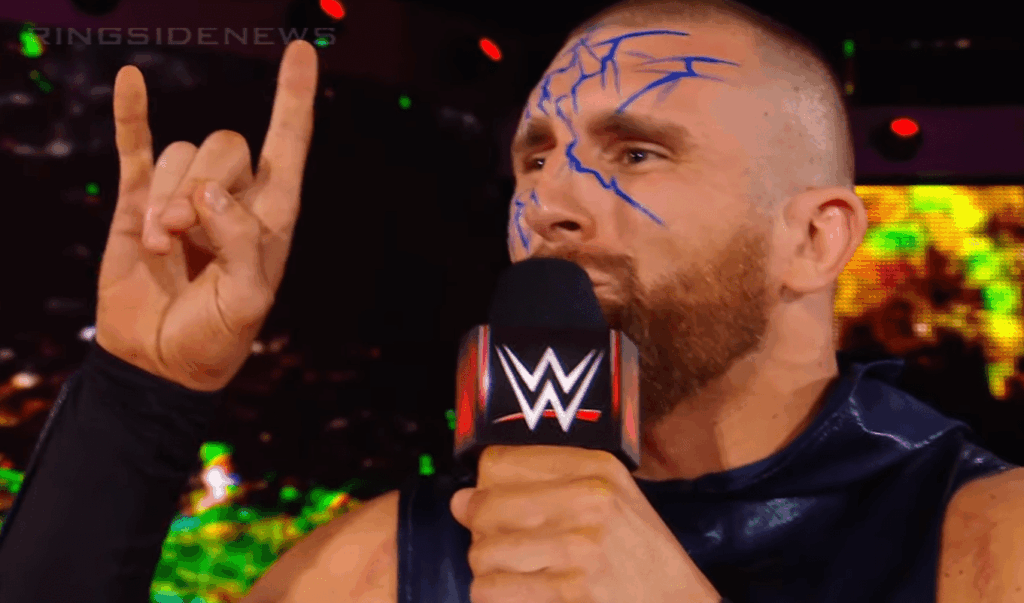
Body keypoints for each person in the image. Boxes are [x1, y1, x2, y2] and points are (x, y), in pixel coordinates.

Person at [0, 0, 1021, 601]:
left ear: (814, 238)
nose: (548, 202)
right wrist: (139, 395)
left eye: (636, 152)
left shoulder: (987, 540)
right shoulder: (394, 558)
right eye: (535, 157)